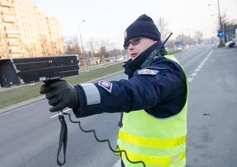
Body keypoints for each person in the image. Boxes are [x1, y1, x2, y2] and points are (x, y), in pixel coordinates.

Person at [40, 14, 188, 167]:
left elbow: (133, 91)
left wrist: (79, 94)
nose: (130, 47)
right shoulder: (142, 70)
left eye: (136, 40)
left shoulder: (166, 69)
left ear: (155, 41)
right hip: (133, 162)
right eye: (127, 44)